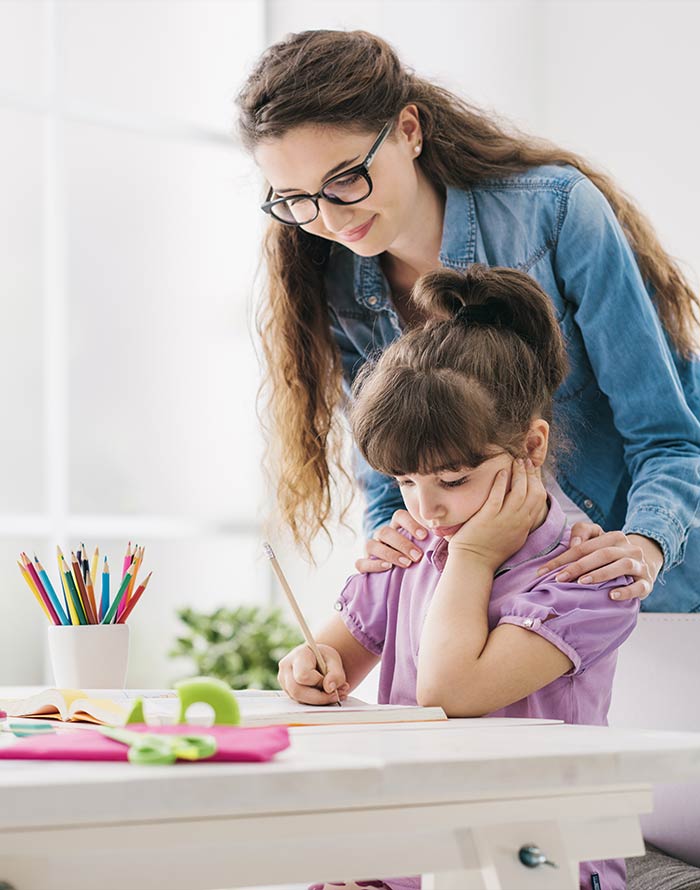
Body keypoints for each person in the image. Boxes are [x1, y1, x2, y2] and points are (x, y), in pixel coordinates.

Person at [236, 28, 700, 615]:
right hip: (498, 605)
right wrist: (390, 536)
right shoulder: (336, 282)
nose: (329, 217)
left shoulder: (555, 214)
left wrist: (644, 545)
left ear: (409, 130)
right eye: (295, 199)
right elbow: (388, 472)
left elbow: (667, 436)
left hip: (645, 586)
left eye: (346, 178)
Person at [279, 264, 640, 890]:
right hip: (412, 850)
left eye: (452, 480)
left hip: (534, 860)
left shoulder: (588, 577)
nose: (426, 508)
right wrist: (307, 670)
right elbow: (331, 659)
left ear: (530, 448)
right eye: (405, 482)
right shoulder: (411, 546)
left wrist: (472, 557)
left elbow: (451, 693)